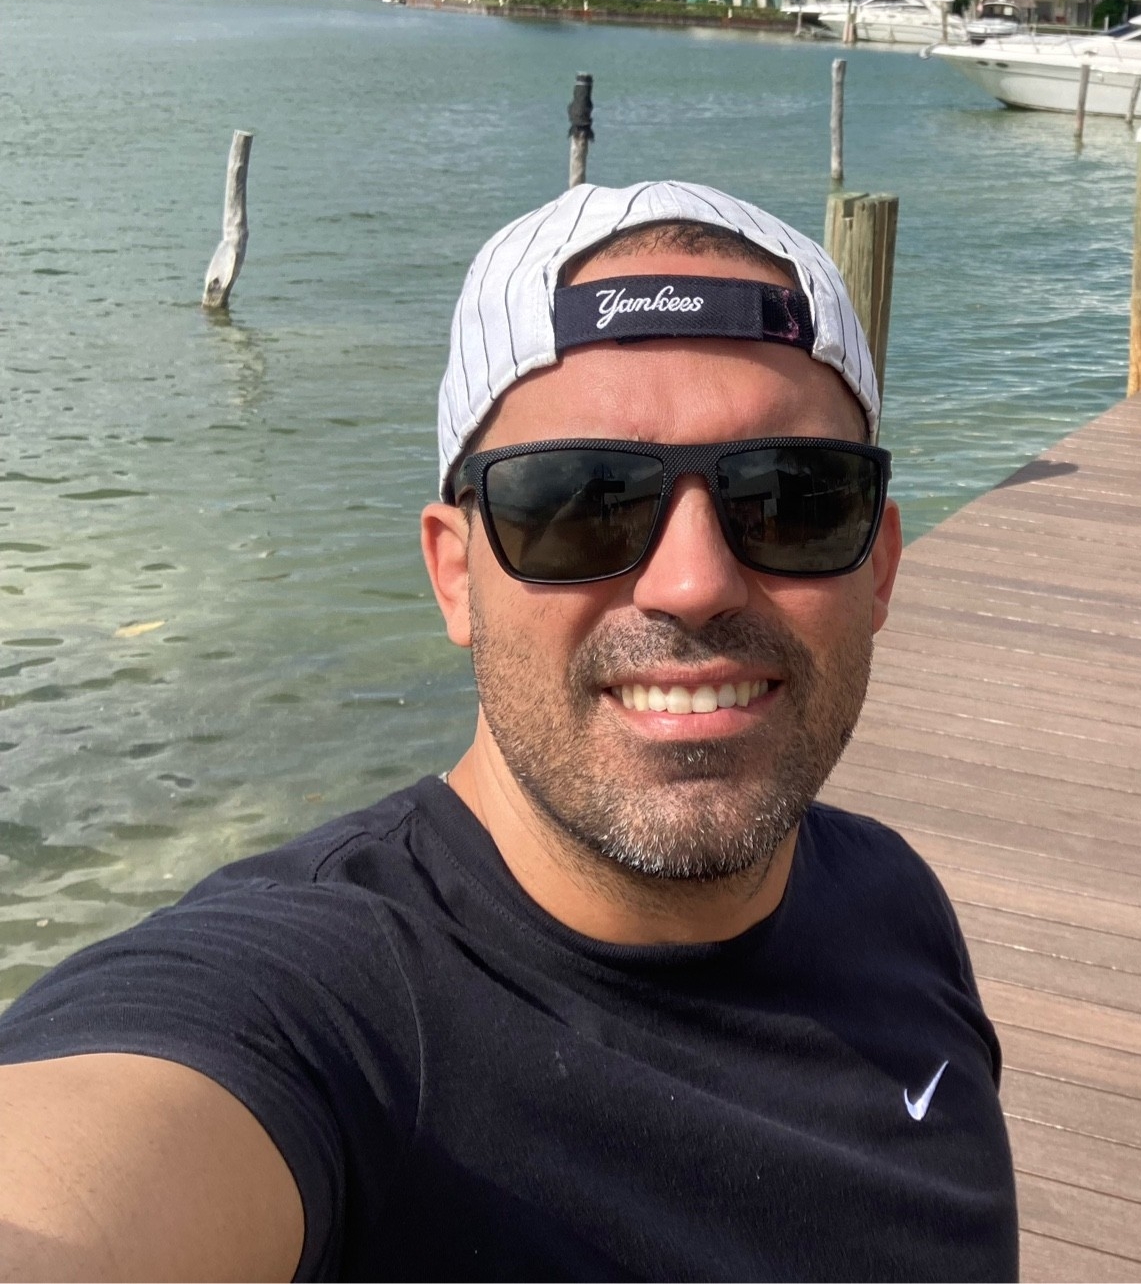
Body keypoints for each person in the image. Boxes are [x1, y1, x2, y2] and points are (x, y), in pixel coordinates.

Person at [0, 182, 1020, 1281]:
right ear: (455, 576)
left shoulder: (895, 904)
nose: (692, 582)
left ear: (880, 566)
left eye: (793, 498)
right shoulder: (327, 1011)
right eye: (580, 502)